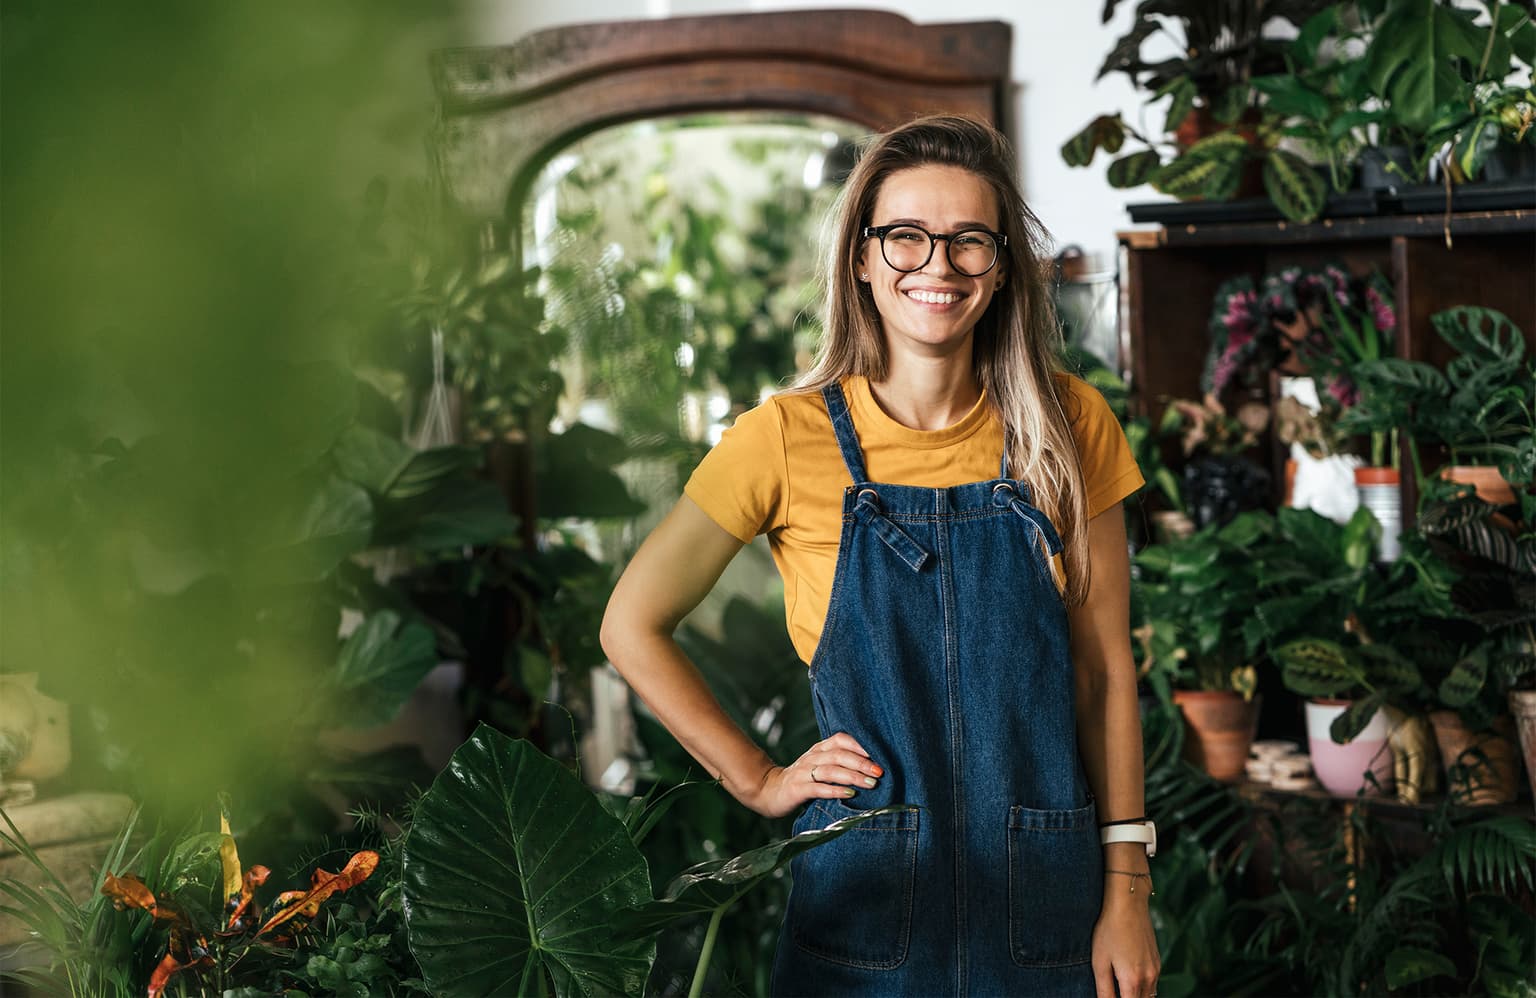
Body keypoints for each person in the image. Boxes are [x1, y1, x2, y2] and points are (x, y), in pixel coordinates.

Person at [600, 114, 1160, 998]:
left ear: (1001, 266)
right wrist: (759, 779)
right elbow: (632, 625)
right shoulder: (782, 438)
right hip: (865, 895)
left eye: (969, 241)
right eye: (906, 238)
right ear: (862, 257)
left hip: (1047, 892)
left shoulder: (1069, 424)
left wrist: (1128, 887)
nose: (937, 266)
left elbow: (1103, 673)